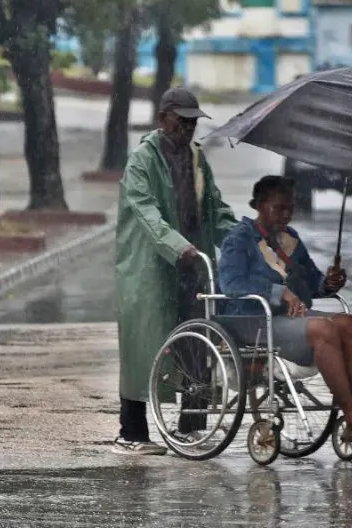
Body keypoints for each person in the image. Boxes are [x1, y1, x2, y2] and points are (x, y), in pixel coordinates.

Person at [218, 175, 352, 443]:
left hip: (286, 320)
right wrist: (280, 292)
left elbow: (311, 282)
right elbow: (231, 284)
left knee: (350, 324)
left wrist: (328, 283)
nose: (286, 214)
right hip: (252, 320)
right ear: (259, 205)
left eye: (290, 208)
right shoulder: (239, 239)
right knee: (323, 329)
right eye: (279, 208)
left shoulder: (290, 239)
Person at [113, 87, 239, 455]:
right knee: (144, 348)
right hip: (150, 269)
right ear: (163, 118)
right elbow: (146, 211)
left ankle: (192, 428)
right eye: (181, 121)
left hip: (193, 265)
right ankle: (132, 433)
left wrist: (245, 240)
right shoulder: (142, 160)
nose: (188, 129)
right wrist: (176, 245)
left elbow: (215, 209)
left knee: (197, 343)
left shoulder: (197, 160)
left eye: (192, 123)